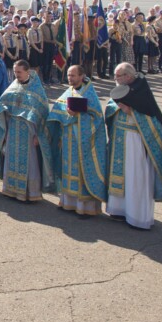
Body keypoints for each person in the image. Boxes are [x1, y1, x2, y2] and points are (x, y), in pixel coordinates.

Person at [106, 63, 162, 229]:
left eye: (118, 76)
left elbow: (155, 123)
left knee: (135, 177)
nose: (115, 79)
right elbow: (111, 109)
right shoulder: (120, 90)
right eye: (115, 76)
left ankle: (137, 216)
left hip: (136, 144)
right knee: (120, 175)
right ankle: (118, 209)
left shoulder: (141, 93)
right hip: (119, 139)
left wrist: (131, 111)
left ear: (128, 76)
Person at [47, 65, 107, 216]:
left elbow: (97, 118)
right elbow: (58, 109)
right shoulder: (69, 91)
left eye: (73, 76)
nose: (70, 78)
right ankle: (67, 202)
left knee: (81, 171)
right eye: (68, 75)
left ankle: (84, 208)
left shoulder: (90, 93)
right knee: (68, 168)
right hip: (68, 139)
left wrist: (78, 114)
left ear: (82, 76)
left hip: (83, 140)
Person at [0, 60, 53, 202]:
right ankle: (11, 189)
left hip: (29, 132)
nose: (17, 75)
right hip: (13, 129)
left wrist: (38, 136)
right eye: (15, 72)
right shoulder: (14, 86)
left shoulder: (37, 89)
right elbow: (3, 103)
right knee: (11, 159)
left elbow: (43, 114)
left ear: (28, 71)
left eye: (19, 72)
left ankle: (29, 193)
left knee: (30, 162)